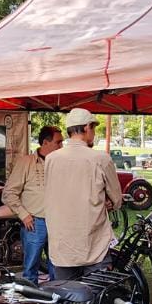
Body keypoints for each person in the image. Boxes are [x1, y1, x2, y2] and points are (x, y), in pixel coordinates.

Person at [43, 109, 122, 280]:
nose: (94, 133)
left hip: (62, 243)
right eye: (94, 128)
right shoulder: (100, 158)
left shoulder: (51, 159)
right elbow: (116, 199)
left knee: (66, 292)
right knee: (97, 292)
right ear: (87, 127)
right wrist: (110, 202)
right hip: (93, 242)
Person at [2, 125, 61, 284]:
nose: (61, 146)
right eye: (58, 142)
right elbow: (9, 193)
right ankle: (29, 297)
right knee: (30, 268)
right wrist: (24, 215)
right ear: (45, 142)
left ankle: (56, 297)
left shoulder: (61, 163)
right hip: (35, 222)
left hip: (58, 222)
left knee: (59, 267)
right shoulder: (26, 162)